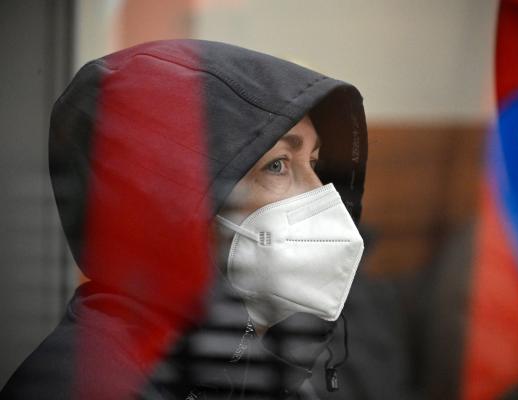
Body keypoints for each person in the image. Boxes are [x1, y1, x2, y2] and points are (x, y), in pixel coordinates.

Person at [0, 39, 368, 399]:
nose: (323, 195)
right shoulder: (82, 385)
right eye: (277, 165)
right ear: (169, 201)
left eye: (315, 164)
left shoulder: (260, 365)